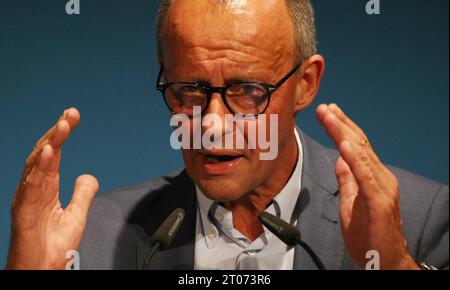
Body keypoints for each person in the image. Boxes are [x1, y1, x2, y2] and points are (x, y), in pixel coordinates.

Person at [6, 0, 448, 270]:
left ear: (305, 84)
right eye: (189, 91)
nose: (213, 124)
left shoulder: (424, 218)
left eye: (248, 90)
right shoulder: (92, 241)